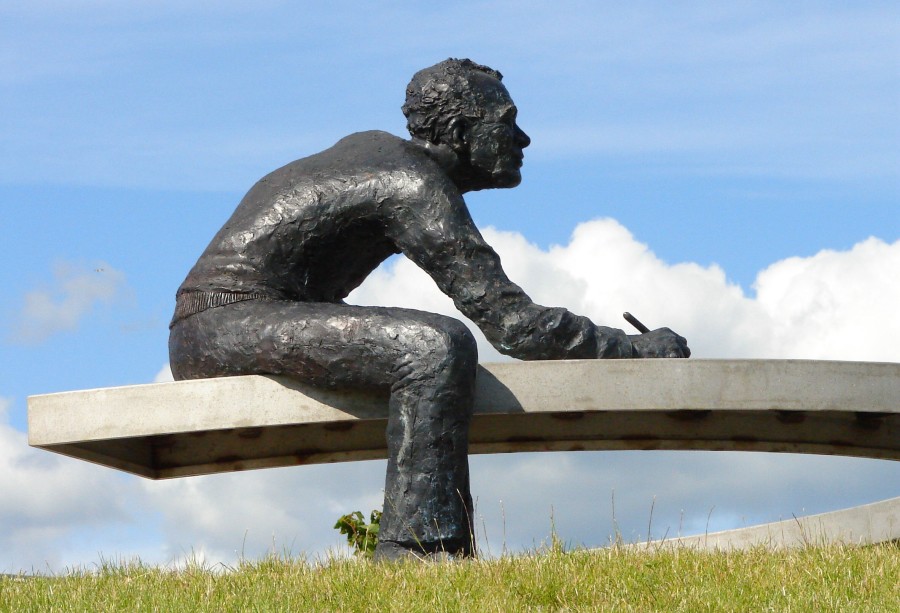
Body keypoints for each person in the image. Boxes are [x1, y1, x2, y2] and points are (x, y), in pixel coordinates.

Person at [169, 58, 690, 561]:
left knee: (433, 344)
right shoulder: (413, 183)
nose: (523, 139)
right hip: (221, 325)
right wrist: (633, 347)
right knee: (435, 348)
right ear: (461, 134)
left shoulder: (381, 156)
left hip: (227, 323)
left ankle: (430, 545)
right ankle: (420, 550)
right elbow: (512, 325)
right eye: (507, 124)